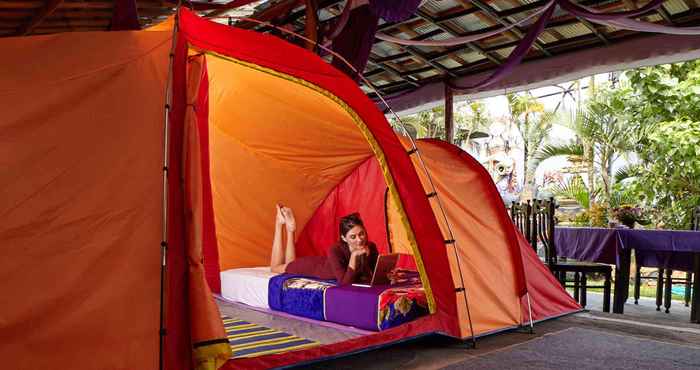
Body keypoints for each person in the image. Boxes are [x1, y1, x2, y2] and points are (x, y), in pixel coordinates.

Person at [270, 205, 378, 285]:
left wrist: (390, 276)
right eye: (353, 237)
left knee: (290, 263)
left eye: (361, 234)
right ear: (344, 238)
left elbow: (373, 276)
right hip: (310, 267)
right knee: (276, 268)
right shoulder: (335, 250)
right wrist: (354, 257)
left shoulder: (371, 247)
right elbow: (345, 284)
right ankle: (279, 223)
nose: (359, 240)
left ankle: (290, 229)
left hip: (324, 262)